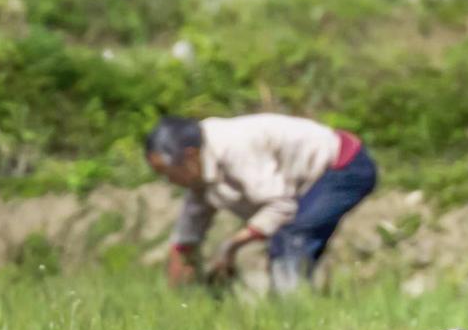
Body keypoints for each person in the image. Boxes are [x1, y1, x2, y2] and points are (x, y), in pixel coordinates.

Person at [144, 113, 378, 293]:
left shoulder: (235, 147)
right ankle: (300, 307)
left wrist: (230, 247)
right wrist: (181, 256)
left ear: (190, 155)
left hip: (345, 166)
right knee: (289, 238)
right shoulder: (200, 165)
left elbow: (281, 206)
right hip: (314, 179)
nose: (169, 180)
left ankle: (294, 315)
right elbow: (192, 220)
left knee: (290, 237)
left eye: (168, 171)